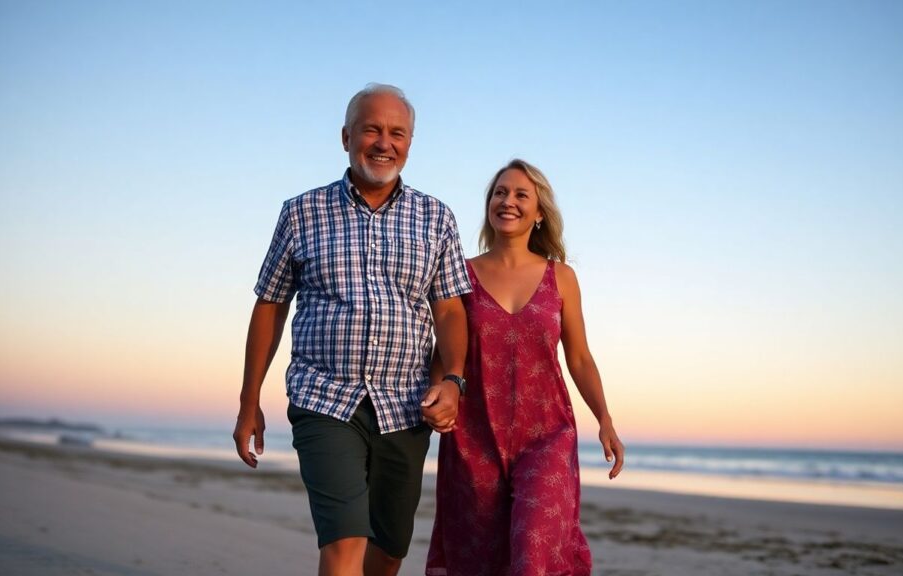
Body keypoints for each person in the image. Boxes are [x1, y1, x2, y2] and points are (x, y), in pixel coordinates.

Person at [233, 83, 471, 576]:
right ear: (346, 137)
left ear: (409, 144)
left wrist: (452, 380)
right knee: (345, 541)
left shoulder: (437, 217)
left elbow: (449, 311)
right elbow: (270, 305)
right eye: (372, 129)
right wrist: (248, 399)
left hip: (406, 406)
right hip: (324, 397)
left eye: (397, 133)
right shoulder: (302, 212)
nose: (384, 143)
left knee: (388, 550)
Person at [426, 159, 625, 575]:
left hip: (547, 434)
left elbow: (580, 357)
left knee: (534, 554)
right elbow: (444, 351)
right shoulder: (460, 274)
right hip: (474, 436)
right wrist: (436, 397)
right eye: (500, 193)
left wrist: (604, 418)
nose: (508, 201)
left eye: (521, 194)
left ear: (539, 213)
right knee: (481, 558)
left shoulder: (561, 277)